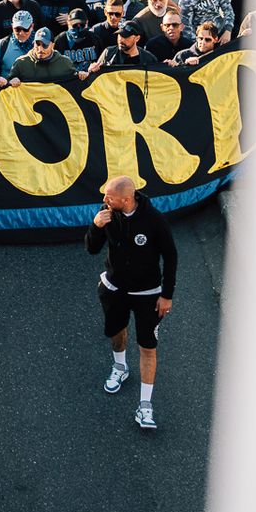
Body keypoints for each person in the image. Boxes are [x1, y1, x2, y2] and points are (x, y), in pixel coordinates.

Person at [86, 174, 176, 431]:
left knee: (148, 347)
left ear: (126, 199)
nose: (104, 200)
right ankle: (120, 366)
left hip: (148, 294)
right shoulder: (106, 213)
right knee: (116, 332)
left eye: (109, 197)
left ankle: (145, 407)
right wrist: (95, 226)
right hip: (115, 290)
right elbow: (91, 249)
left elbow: (171, 257)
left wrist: (167, 295)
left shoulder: (154, 221)